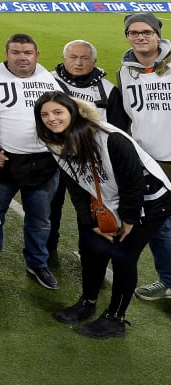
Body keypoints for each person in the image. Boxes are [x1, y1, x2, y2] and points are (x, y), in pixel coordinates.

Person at [34, 91, 171, 338]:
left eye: (57, 112)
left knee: (122, 255)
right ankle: (88, 302)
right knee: (91, 247)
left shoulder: (110, 138)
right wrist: (90, 222)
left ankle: (116, 318)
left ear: (72, 112)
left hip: (151, 199)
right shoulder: (55, 140)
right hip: (107, 199)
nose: (51, 119)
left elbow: (134, 182)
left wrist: (129, 219)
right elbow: (76, 185)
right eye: (44, 114)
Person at [0, 33, 65, 289]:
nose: (22, 57)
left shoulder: (51, 81)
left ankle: (37, 262)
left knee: (40, 219)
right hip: (3, 164)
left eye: (27, 53)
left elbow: (68, 119)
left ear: (37, 55)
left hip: (44, 164)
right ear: (6, 54)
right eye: (16, 52)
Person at [49, 39, 127, 255]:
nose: (79, 62)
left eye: (85, 58)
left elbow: (116, 130)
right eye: (73, 57)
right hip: (53, 160)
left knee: (90, 210)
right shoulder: (47, 82)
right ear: (64, 58)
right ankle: (48, 251)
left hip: (90, 163)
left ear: (94, 61)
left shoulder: (108, 90)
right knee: (51, 208)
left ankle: (91, 255)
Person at [116, 12, 171, 302]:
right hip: (149, 163)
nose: (140, 37)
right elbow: (128, 117)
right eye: (134, 32)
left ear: (158, 35)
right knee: (160, 227)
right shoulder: (125, 71)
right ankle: (168, 280)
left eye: (147, 32)